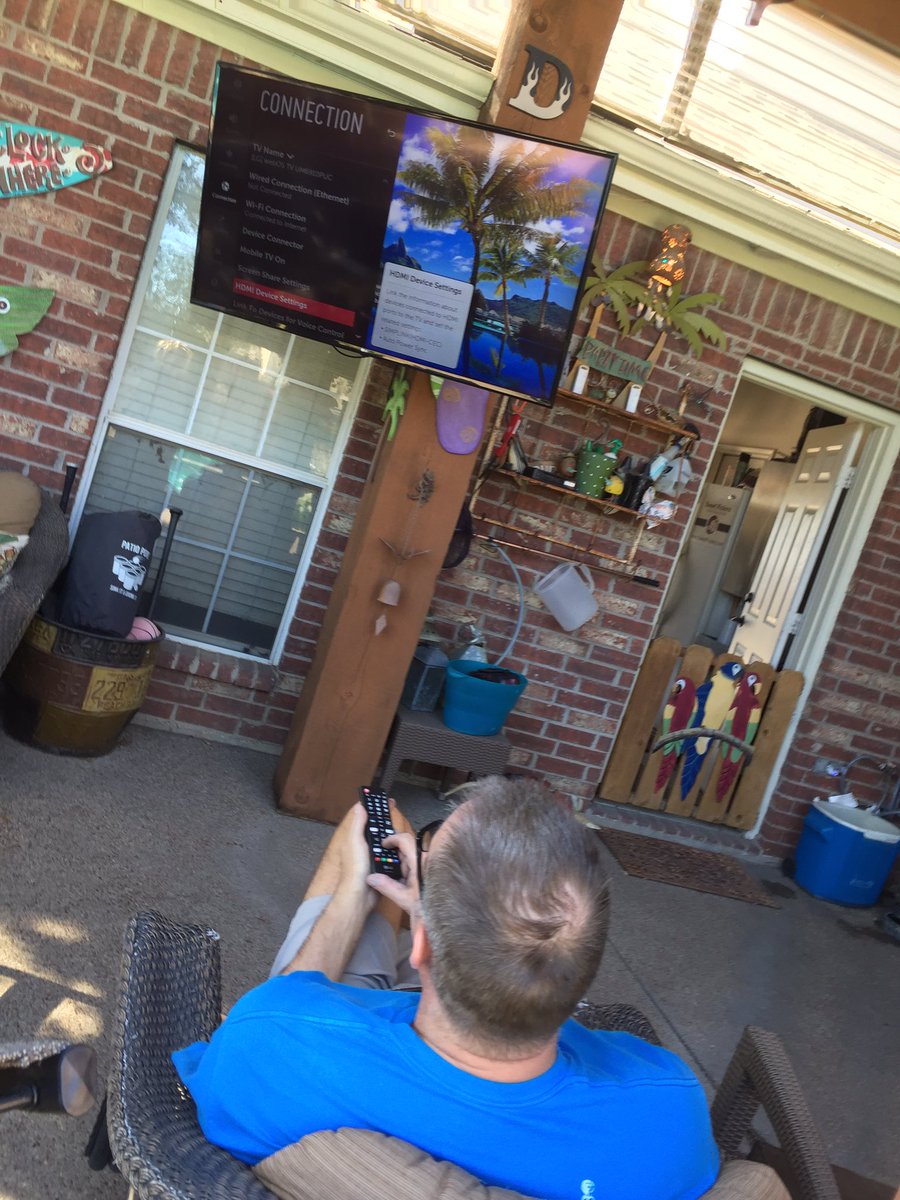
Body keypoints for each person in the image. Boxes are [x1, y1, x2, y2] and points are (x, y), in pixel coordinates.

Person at [173, 776, 719, 1200]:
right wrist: (437, 921)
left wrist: (358, 899)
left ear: (422, 947)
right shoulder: (672, 1113)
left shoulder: (270, 1042)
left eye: (429, 863)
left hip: (348, 1041)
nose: (422, 861)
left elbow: (284, 1008)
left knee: (374, 823)